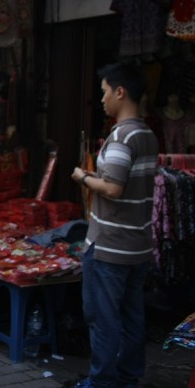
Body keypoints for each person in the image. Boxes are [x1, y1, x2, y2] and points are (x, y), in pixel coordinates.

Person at [71, 61, 159, 388]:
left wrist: (83, 177)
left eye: (105, 92)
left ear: (120, 92)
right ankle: (127, 377)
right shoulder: (147, 134)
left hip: (111, 246)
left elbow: (113, 188)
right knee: (132, 316)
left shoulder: (122, 135)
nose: (103, 99)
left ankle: (103, 381)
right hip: (137, 244)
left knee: (103, 318)